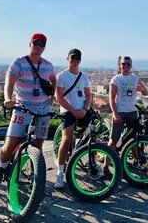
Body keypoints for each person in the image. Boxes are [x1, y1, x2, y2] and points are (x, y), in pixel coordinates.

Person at [0, 33, 56, 185]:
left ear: (44, 48)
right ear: (30, 44)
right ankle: (1, 168)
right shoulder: (19, 63)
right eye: (36, 43)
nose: (38, 46)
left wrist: (52, 95)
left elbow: (54, 79)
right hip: (22, 108)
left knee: (39, 144)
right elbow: (9, 81)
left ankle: (35, 170)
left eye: (41, 44)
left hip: (42, 110)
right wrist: (8, 98)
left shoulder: (48, 65)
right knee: (9, 145)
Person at [54, 49, 92, 189]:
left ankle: (92, 162)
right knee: (66, 139)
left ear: (80, 60)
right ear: (68, 58)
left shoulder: (84, 77)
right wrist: (73, 110)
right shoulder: (62, 76)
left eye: (78, 58)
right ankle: (59, 173)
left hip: (82, 110)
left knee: (93, 136)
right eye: (73, 57)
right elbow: (59, 97)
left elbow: (88, 96)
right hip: (68, 112)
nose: (75, 60)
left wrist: (85, 109)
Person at [107, 56, 148, 169]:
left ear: (131, 66)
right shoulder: (115, 79)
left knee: (133, 139)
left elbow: (146, 92)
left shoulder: (135, 78)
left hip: (132, 112)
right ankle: (105, 167)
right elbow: (111, 98)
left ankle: (137, 161)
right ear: (119, 66)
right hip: (120, 112)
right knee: (113, 140)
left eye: (128, 64)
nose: (125, 66)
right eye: (123, 64)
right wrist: (115, 113)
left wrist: (142, 89)